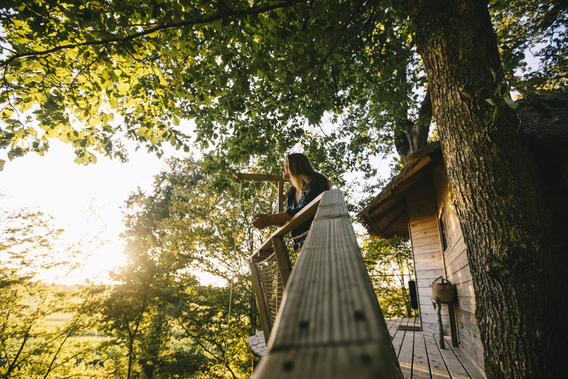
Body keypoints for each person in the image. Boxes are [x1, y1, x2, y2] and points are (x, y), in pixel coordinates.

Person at [252, 153, 331, 243]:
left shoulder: (316, 180)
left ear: (294, 165)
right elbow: (288, 218)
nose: (282, 169)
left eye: (285, 165)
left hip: (324, 238)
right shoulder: (291, 193)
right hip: (304, 243)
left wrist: (270, 219)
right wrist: (268, 221)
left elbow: (306, 210)